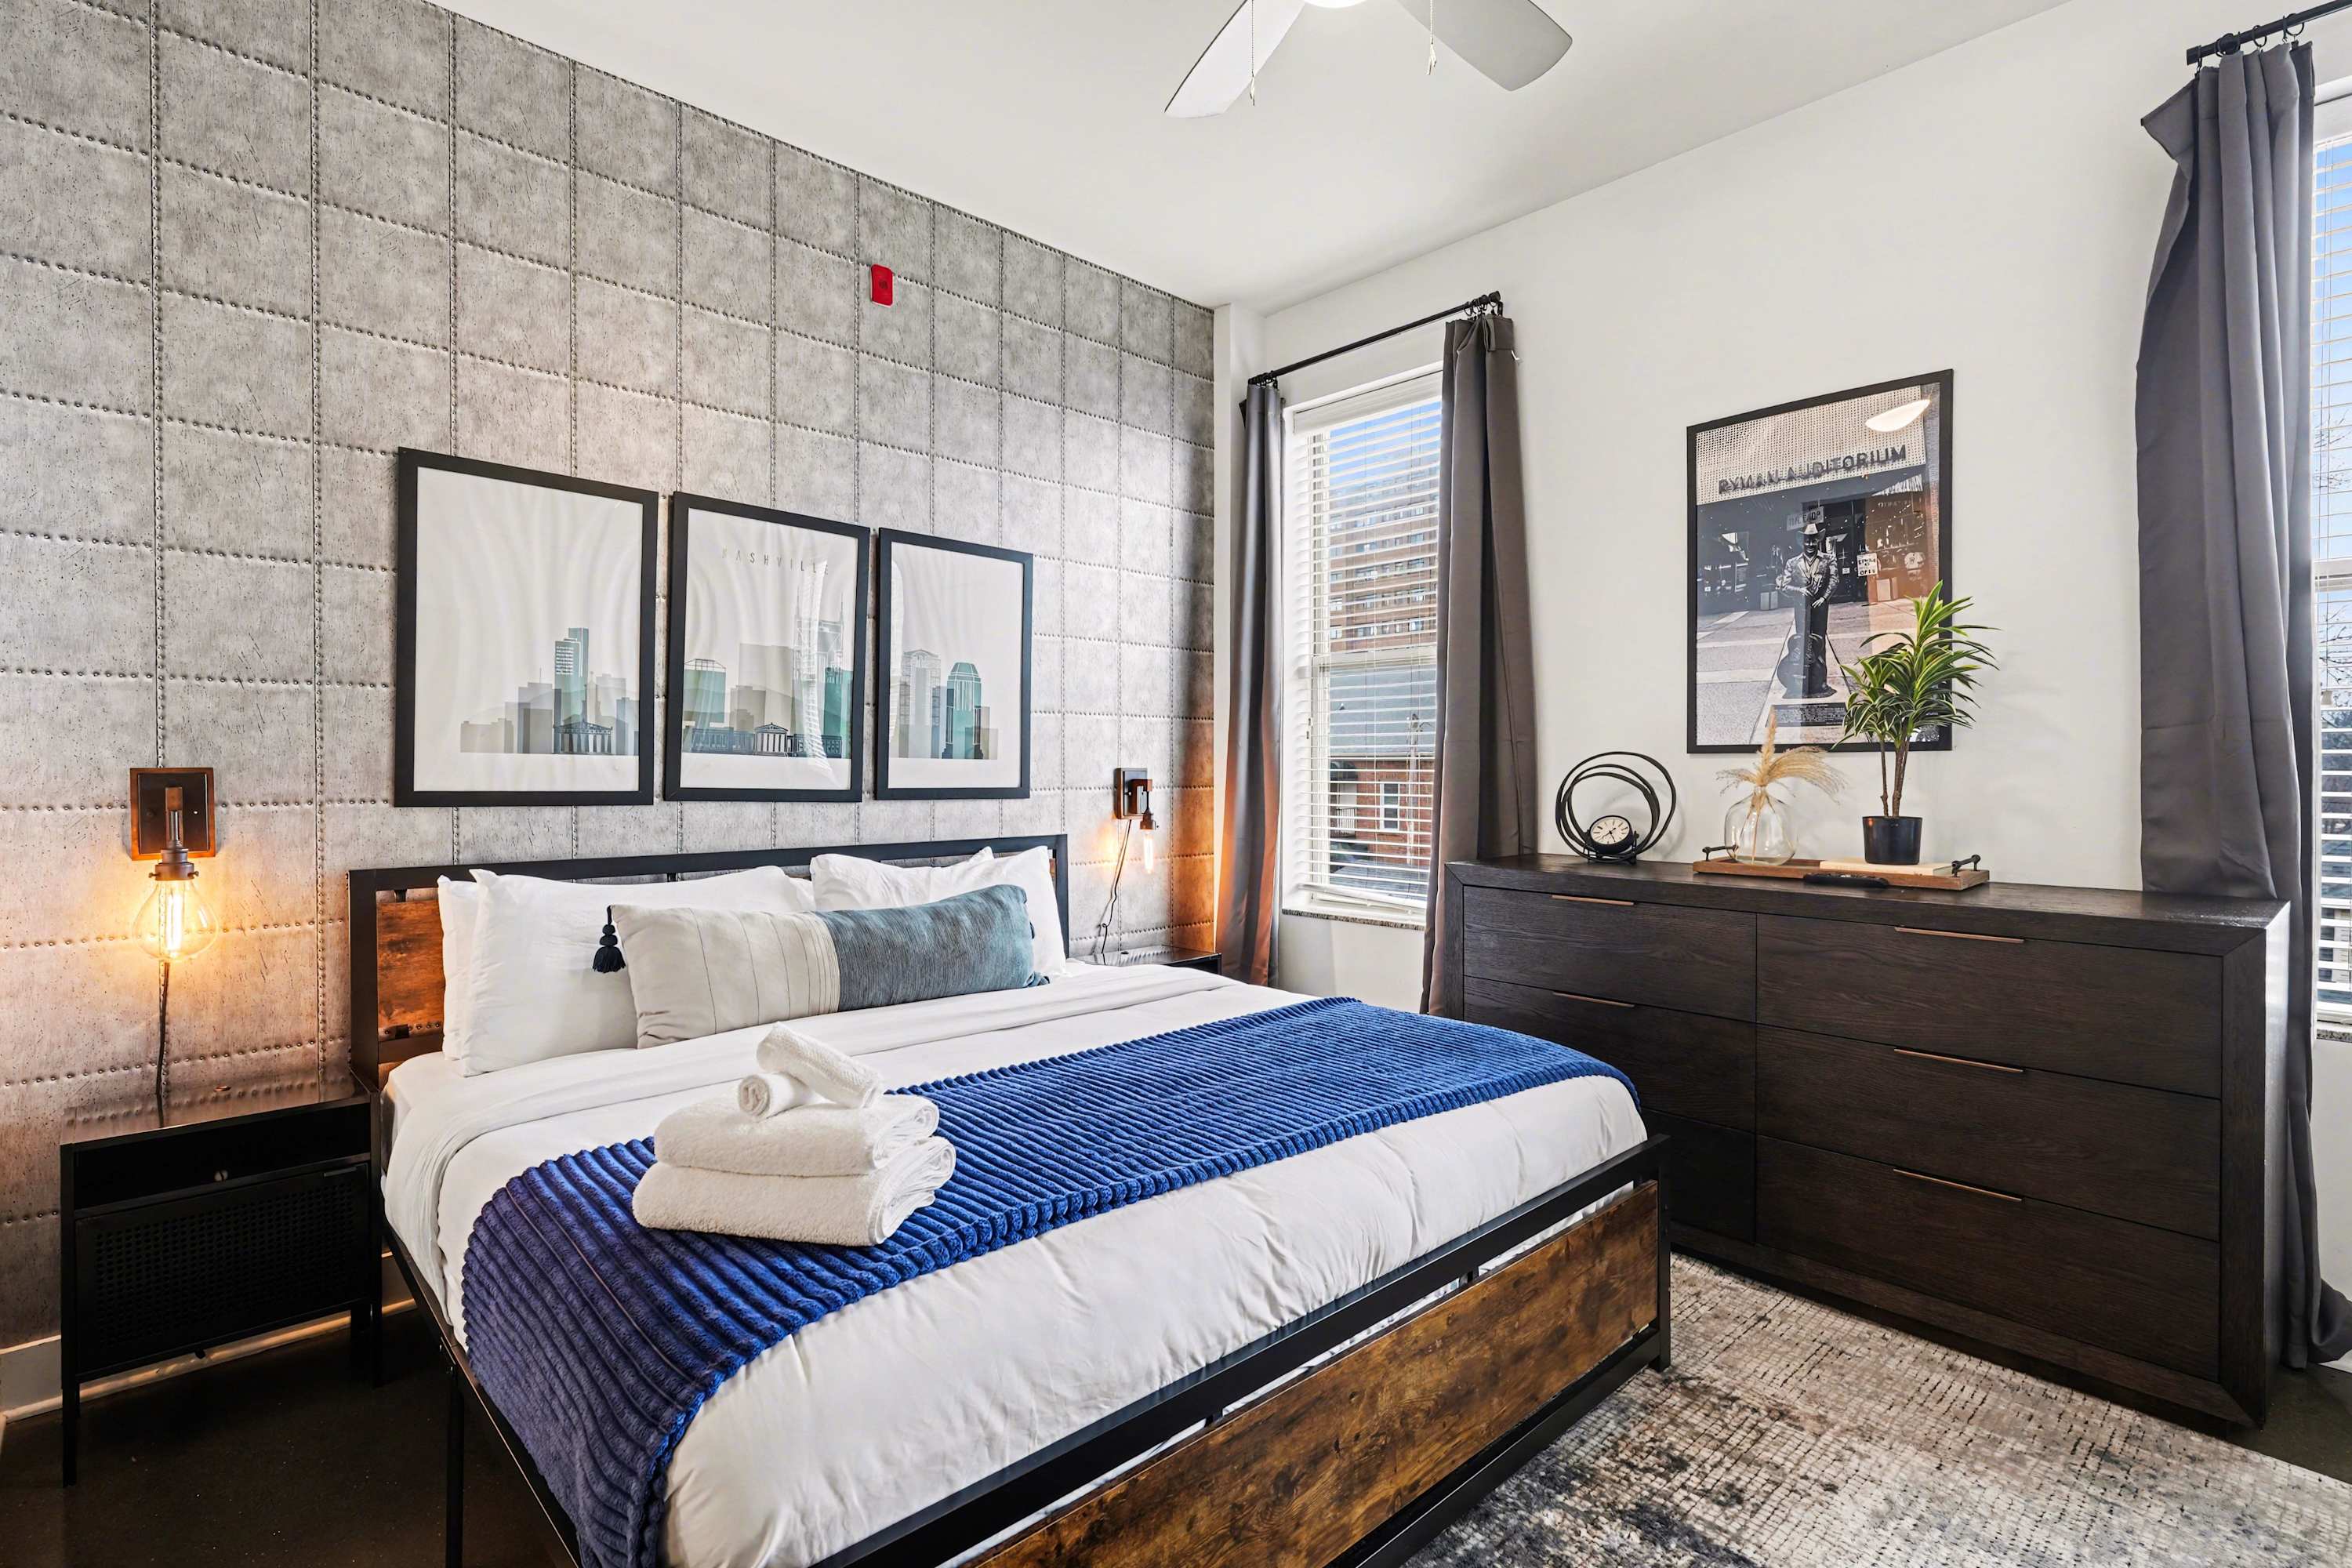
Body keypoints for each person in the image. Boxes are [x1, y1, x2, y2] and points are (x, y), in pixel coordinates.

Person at [1773, 517, 1835, 699]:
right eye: (1807, 540)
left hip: (1820, 607)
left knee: (1819, 642)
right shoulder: (1792, 563)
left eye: (1814, 539)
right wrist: (1799, 590)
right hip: (1801, 609)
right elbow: (1783, 585)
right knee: (1802, 643)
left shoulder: (1828, 559)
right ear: (1802, 542)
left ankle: (1820, 681)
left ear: (1819, 540)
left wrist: (1824, 598)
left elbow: (1834, 580)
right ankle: (1802, 680)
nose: (1810, 543)